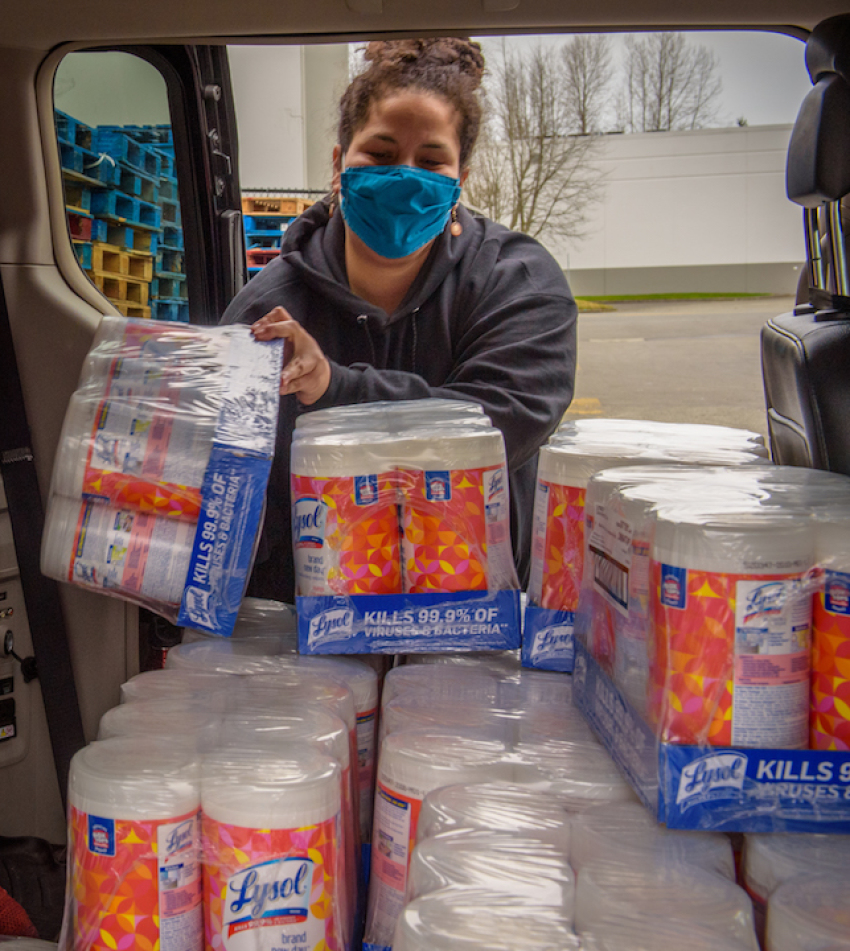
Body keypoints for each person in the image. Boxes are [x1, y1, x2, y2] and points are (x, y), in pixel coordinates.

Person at [221, 37, 577, 603]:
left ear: (461, 178)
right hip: (311, 617)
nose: (405, 177)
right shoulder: (269, 310)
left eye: (431, 161)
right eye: (380, 155)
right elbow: (229, 481)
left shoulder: (517, 282)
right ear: (339, 163)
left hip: (474, 610)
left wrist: (335, 390)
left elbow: (505, 421)